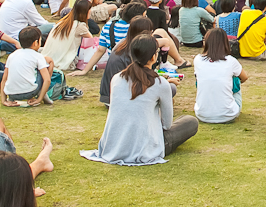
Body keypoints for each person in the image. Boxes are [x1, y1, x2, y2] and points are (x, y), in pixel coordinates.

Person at [82, 34, 198, 165]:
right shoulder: (160, 83)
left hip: (114, 144)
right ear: (154, 57)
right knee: (190, 122)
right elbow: (166, 125)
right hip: (145, 148)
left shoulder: (117, 78)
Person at [194, 28, 247, 124]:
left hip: (202, 115)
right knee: (235, 80)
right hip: (228, 115)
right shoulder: (230, 61)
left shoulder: (198, 60)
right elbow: (244, 77)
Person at [42, 0, 92, 72]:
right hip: (65, 59)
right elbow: (92, 40)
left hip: (51, 55)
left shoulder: (63, 22)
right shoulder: (79, 26)